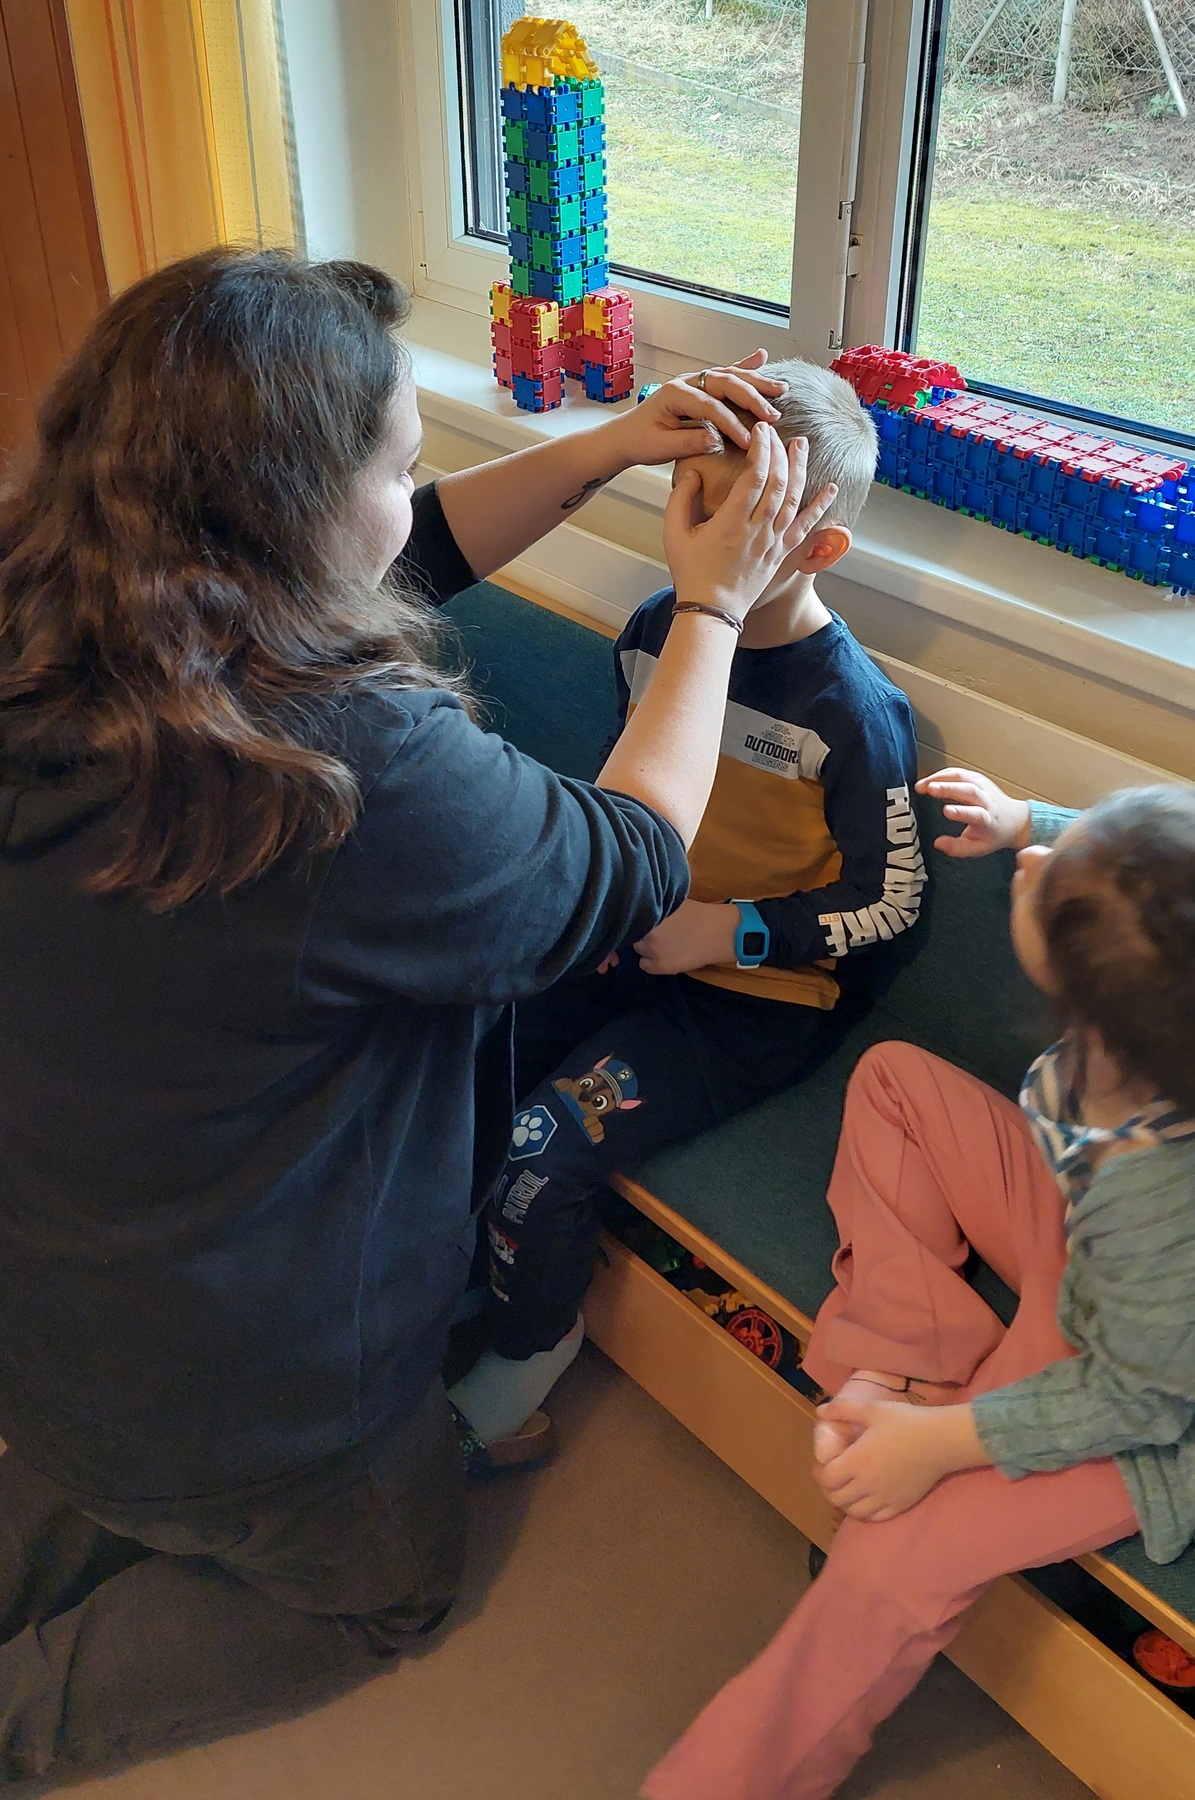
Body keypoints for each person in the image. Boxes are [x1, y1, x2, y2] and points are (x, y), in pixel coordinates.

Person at [0, 247, 838, 1783]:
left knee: (94, 1471)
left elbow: (397, 566)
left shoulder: (59, 605)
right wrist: (712, 609)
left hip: (54, 1291)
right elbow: (628, 865)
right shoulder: (331, 773)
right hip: (259, 1369)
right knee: (379, 1588)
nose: (417, 491)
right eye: (400, 462)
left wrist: (599, 447)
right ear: (289, 506)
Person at [642, 773, 1195, 1800]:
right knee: (893, 1078)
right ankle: (906, 1370)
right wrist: (1035, 824)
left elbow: (1137, 1394)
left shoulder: (1157, 1194)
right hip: (1096, 1266)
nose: (1031, 870)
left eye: (1050, 887)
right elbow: (1167, 862)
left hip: (1148, 1398)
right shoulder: (1157, 1021)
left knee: (892, 1555)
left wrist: (942, 1451)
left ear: (1094, 1005)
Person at [450, 359, 926, 1451]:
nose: (696, 539)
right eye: (690, 503)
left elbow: (888, 900)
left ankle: (533, 1347)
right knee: (463, 1053)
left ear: (816, 546)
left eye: (735, 517)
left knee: (538, 1148)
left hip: (752, 1004)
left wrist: (734, 929)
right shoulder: (658, 628)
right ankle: (479, 1268)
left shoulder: (851, 711)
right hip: (634, 944)